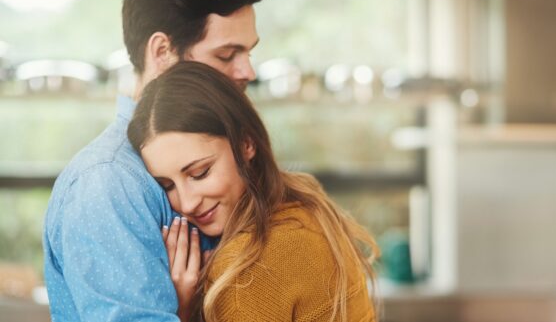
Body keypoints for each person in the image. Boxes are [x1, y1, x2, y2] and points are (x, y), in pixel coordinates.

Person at [43, 0, 264, 321]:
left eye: (249, 53)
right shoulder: (109, 183)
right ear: (162, 51)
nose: (248, 72)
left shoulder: (228, 147)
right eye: (226, 55)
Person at [127, 61, 381, 322]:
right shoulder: (307, 205)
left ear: (246, 143)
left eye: (200, 173)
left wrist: (180, 310)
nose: (188, 203)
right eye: (167, 185)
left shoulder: (244, 275)